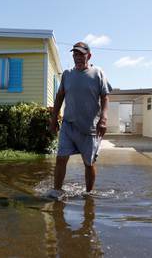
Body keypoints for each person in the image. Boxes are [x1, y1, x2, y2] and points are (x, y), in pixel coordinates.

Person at [49, 42, 111, 195]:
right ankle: (57, 192)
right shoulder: (67, 74)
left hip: (89, 128)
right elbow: (59, 97)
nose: (77, 57)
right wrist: (53, 119)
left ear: (88, 56)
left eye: (81, 54)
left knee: (88, 163)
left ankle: (89, 194)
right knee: (61, 159)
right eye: (75, 54)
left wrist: (103, 119)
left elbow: (105, 97)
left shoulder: (98, 73)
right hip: (68, 126)